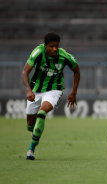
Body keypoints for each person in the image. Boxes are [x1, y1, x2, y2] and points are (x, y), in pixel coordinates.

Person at [22, 32, 80, 160]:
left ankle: (31, 149)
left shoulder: (64, 56)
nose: (54, 49)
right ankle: (35, 132)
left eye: (57, 46)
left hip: (54, 90)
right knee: (30, 125)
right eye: (51, 46)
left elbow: (76, 70)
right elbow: (25, 72)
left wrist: (74, 92)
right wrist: (28, 90)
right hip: (35, 90)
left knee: (42, 113)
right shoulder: (38, 52)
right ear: (45, 46)